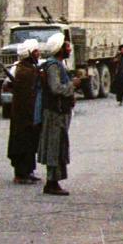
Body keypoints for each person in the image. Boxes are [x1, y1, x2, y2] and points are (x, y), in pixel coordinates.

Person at [38, 32, 79, 195]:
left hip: (59, 112)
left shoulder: (58, 64)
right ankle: (51, 183)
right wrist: (72, 85)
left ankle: (54, 181)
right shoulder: (53, 66)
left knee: (59, 146)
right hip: (55, 113)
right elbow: (55, 88)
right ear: (60, 49)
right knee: (54, 147)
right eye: (66, 46)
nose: (69, 48)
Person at [7, 39, 42, 184]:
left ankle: (29, 171)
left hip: (29, 113)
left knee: (30, 142)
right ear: (29, 54)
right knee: (22, 143)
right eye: (36, 51)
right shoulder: (24, 70)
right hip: (23, 114)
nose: (38, 54)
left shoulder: (29, 67)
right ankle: (20, 174)